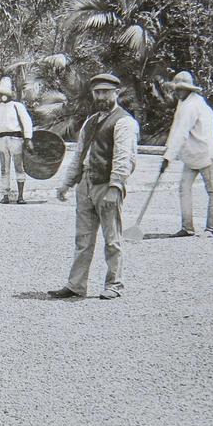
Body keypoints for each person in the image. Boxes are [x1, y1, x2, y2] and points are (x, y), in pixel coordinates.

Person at [48, 73, 139, 300]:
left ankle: (114, 284)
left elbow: (123, 158)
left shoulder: (124, 122)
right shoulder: (90, 122)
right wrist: (66, 184)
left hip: (106, 184)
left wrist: (115, 186)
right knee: (83, 239)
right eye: (97, 92)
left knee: (112, 238)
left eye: (106, 92)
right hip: (86, 183)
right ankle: (76, 285)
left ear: (116, 93)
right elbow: (79, 155)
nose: (101, 96)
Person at [160, 71, 213, 237]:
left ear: (189, 89)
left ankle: (212, 227)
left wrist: (168, 157)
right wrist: (168, 152)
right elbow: (175, 128)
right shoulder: (185, 102)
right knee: (184, 188)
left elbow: (182, 133)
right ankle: (187, 227)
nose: (177, 92)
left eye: (181, 89)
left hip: (205, 153)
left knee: (211, 190)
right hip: (191, 155)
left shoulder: (192, 105)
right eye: (176, 89)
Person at [0, 75, 34, 204]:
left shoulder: (17, 106)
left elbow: (26, 122)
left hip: (16, 139)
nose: (3, 96)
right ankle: (5, 195)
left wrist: (27, 138)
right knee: (4, 169)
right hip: (2, 141)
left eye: (5, 93)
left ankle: (20, 196)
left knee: (18, 167)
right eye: (1, 93)